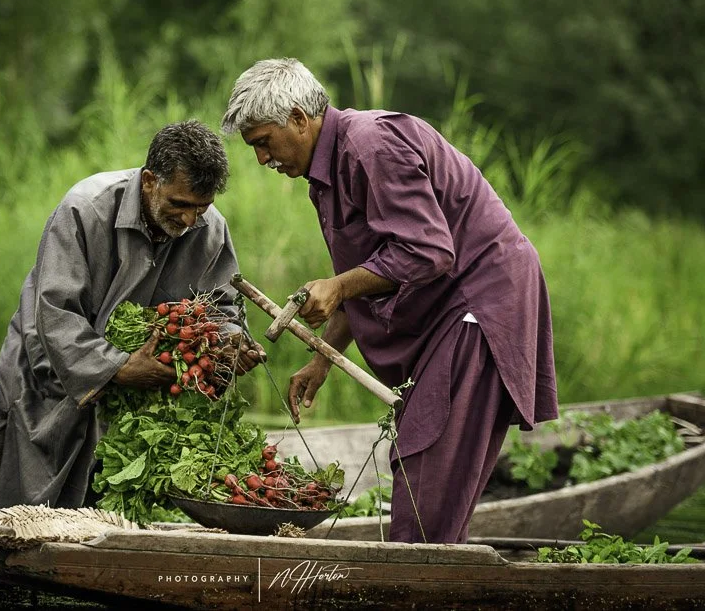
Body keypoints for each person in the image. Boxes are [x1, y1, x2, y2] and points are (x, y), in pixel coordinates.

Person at [222, 58, 558, 544]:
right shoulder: (327, 172)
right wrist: (323, 360)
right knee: (425, 467)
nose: (262, 159)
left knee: (429, 469)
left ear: (298, 118)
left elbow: (428, 250)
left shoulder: (369, 143)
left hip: (477, 306)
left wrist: (336, 286)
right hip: (452, 312)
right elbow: (377, 269)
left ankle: (416, 586)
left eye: (262, 142)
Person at [0, 120, 265, 512]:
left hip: (127, 407)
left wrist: (230, 343)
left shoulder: (209, 231)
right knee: (17, 516)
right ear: (149, 181)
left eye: (201, 207)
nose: (188, 221)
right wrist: (120, 368)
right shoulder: (85, 209)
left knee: (102, 511)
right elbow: (56, 314)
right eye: (179, 205)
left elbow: (223, 307)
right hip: (44, 385)